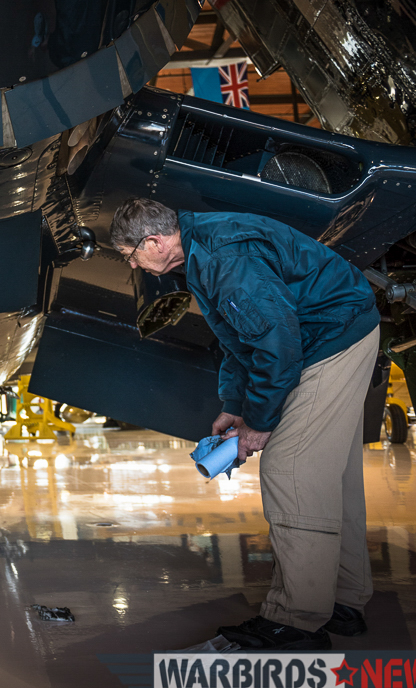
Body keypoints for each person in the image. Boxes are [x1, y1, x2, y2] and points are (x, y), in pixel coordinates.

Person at [110, 198, 380, 650]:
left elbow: (276, 342)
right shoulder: (202, 250)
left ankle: (295, 621)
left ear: (153, 243)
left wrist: (257, 425)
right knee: (333, 476)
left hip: (330, 337)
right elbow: (241, 337)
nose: (134, 265)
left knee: (290, 470)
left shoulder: (221, 256)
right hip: (337, 329)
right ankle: (344, 601)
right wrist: (235, 405)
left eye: (130, 255)